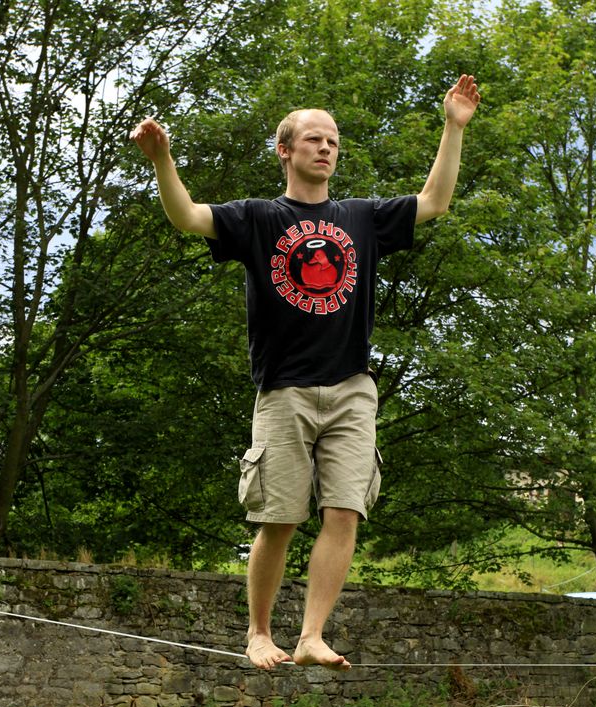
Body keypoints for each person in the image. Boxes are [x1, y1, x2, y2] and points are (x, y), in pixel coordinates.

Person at [131, 75, 480, 671]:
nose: (326, 148)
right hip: (284, 390)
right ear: (285, 151)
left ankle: (313, 635)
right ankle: (260, 633)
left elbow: (434, 202)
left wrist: (453, 127)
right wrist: (163, 160)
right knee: (279, 519)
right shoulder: (259, 218)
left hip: (352, 388)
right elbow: (187, 216)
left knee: (344, 510)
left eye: (334, 142)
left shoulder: (362, 217)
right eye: (314, 140)